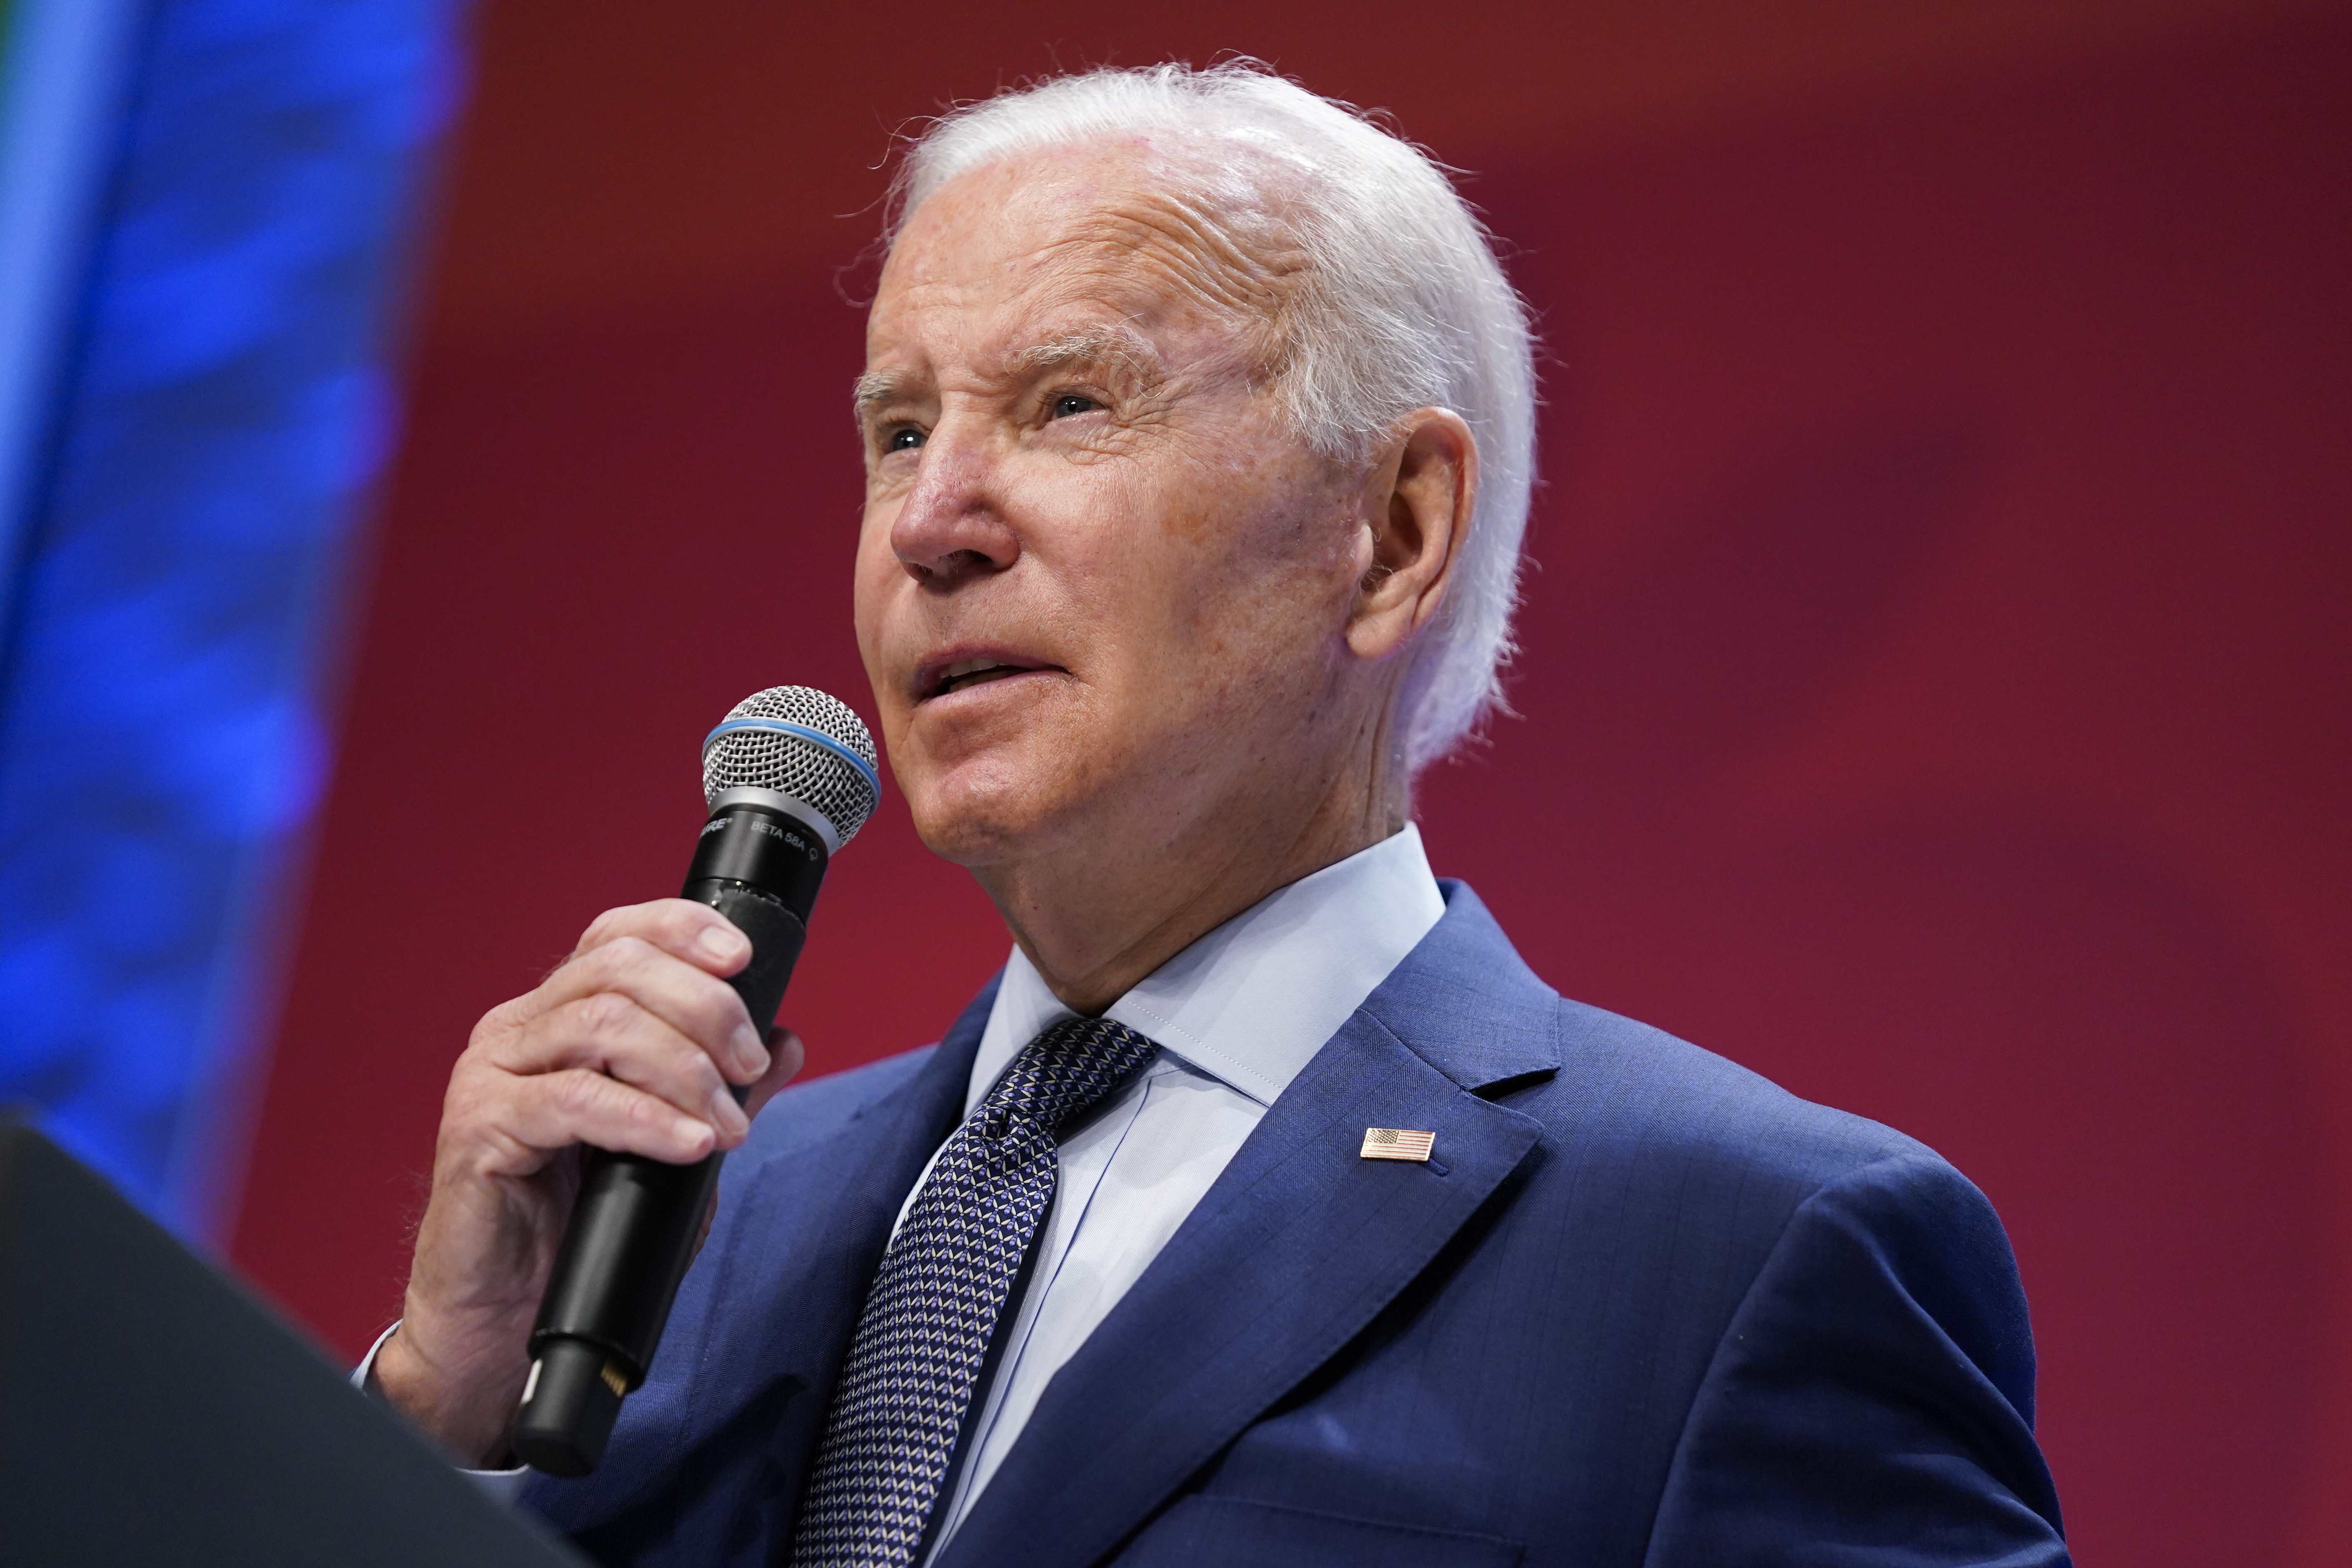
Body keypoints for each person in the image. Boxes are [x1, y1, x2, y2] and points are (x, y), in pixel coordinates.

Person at [368, 62, 2068, 1568]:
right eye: (898, 430)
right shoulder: (687, 1217)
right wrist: (441, 1411)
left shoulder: (1742, 1252)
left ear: (1392, 533)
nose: (932, 523)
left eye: (1069, 405)